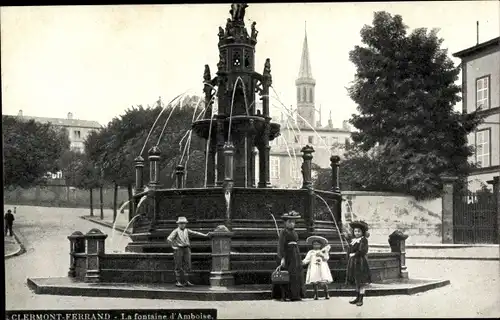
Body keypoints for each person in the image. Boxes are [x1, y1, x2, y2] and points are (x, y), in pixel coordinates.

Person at [271, 210, 305, 301]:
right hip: (288, 254)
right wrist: (282, 257)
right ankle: (286, 295)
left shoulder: (294, 232)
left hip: (295, 254)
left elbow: (297, 243)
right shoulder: (283, 232)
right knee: (287, 275)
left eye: (293, 222)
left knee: (296, 274)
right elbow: (281, 245)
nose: (292, 224)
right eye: (289, 222)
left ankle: (296, 295)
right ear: (285, 223)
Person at [167, 216, 208, 287]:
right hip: (179, 249)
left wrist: (205, 235)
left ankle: (186, 281)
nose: (183, 224)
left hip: (186, 248)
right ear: (178, 224)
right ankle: (178, 281)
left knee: (188, 265)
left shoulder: (187, 230)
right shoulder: (176, 231)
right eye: (181, 223)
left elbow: (195, 233)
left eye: (184, 223)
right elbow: (169, 239)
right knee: (178, 265)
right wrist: (173, 246)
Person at [345, 220, 372, 306]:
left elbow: (363, 251)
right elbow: (349, 250)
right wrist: (349, 254)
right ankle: (357, 298)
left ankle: (361, 299)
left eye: (359, 231)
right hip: (353, 262)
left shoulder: (363, 240)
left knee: (361, 281)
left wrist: (355, 254)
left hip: (360, 262)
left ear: (362, 232)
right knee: (356, 281)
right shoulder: (353, 240)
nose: (357, 233)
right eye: (355, 231)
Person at [302, 236, 333, 300]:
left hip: (322, 267)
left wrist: (322, 255)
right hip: (314, 267)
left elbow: (326, 258)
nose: (316, 245)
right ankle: (316, 294)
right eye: (314, 244)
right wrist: (303, 262)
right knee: (315, 281)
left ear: (320, 245)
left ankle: (326, 293)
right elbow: (307, 259)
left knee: (324, 281)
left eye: (317, 244)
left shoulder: (323, 251)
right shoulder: (311, 252)